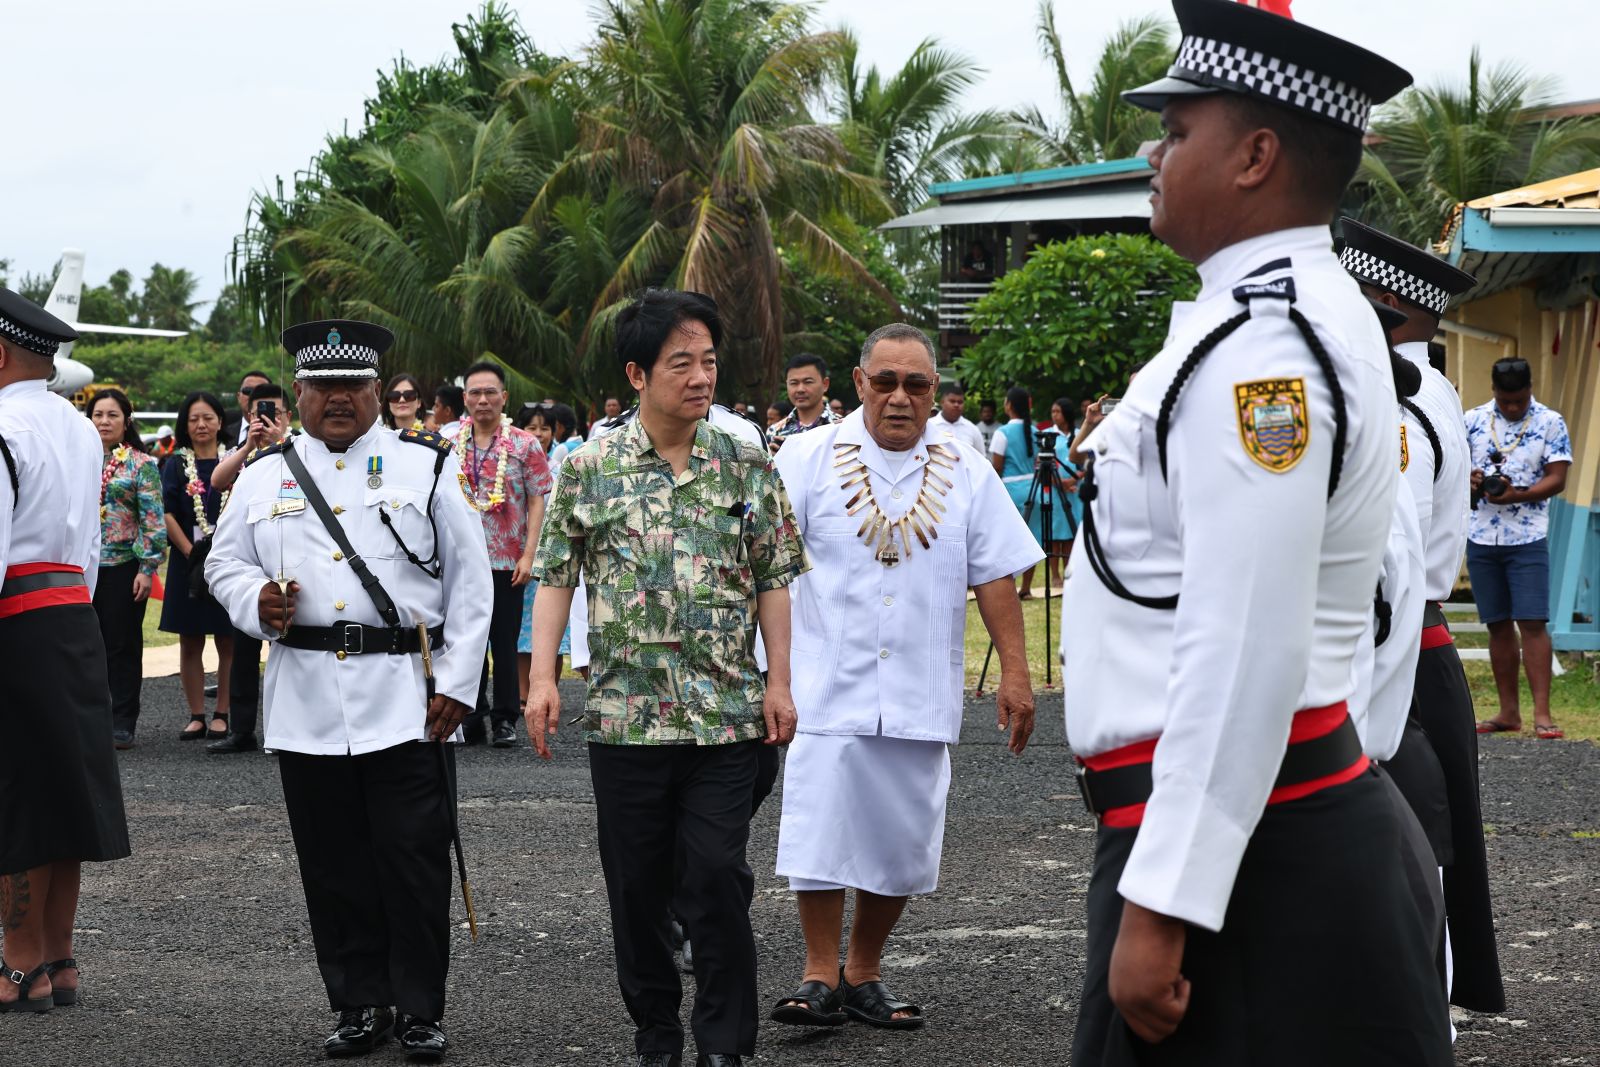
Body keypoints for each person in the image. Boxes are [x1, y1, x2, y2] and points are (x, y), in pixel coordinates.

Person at [1062, 3, 1451, 1062]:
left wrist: (1161, 901)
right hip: (1274, 823)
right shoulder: (1298, 314)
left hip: (1243, 863)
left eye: (1179, 130)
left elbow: (1245, 640)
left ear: (1255, 155)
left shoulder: (1260, 350)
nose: (1155, 150)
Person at [524, 288, 807, 1067]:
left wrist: (778, 679)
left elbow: (774, 573)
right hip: (627, 721)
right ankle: (657, 1033)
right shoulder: (590, 466)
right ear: (638, 373)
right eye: (680, 361)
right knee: (638, 893)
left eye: (709, 360)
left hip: (726, 715)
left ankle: (724, 1044)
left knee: (717, 875)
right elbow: (555, 575)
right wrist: (542, 679)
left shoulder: (746, 459)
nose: (700, 375)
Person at [205, 319, 492, 1062]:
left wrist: (458, 683)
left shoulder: (424, 466)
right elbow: (222, 563)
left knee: (414, 856)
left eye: (353, 387)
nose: (338, 400)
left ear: (377, 392)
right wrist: (255, 597)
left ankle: (422, 1007)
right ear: (296, 393)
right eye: (322, 387)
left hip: (405, 695)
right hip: (304, 699)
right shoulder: (265, 474)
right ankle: (360, 1001)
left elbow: (470, 585)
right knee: (332, 863)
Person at [768, 323, 1040, 1032]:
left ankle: (865, 971)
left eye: (915, 384)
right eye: (884, 381)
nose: (898, 397)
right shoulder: (804, 458)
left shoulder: (967, 467)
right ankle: (818, 972)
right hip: (826, 678)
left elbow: (996, 574)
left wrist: (1016, 672)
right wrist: (767, 671)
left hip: (919, 684)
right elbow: (765, 570)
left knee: (901, 834)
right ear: (857, 383)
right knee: (822, 828)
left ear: (934, 392)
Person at [1340, 217, 1505, 1012]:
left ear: (1378, 300)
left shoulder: (1397, 404)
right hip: (1417, 642)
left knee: (1407, 851)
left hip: (1396, 650)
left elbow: (1386, 561)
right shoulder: (1429, 386)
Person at [0, 290, 132, 1016]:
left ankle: (18, 968)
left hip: (14, 618)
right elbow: (85, 546)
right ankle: (57, 955)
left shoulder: (0, 424)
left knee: (17, 792)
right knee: (64, 787)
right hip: (72, 615)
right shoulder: (83, 430)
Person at [1465, 358, 1571, 740]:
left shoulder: (1550, 421)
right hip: (1481, 535)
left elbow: (1557, 478)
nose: (1512, 407)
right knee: (1497, 624)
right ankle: (1509, 712)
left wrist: (1517, 496)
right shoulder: (1472, 420)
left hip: (1527, 538)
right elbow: (1454, 472)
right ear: (1494, 390)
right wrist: (1473, 478)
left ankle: (1543, 714)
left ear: (1530, 390)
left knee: (1532, 622)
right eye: (1505, 400)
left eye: (1519, 400)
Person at [455, 360, 551, 747]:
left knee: (504, 641)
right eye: (475, 393)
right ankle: (471, 713)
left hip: (507, 560)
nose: (482, 400)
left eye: (490, 392)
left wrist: (529, 556)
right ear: (465, 399)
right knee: (467, 640)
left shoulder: (525, 444)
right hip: (463, 562)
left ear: (504, 397)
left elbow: (537, 501)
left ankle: (506, 718)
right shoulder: (449, 442)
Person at [205, 383, 296, 755]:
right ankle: (241, 728)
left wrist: (278, 444)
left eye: (274, 411)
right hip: (249, 563)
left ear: (288, 415)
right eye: (260, 412)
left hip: (290, 563)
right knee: (243, 650)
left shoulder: (302, 449)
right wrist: (249, 448)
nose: (267, 419)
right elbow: (217, 481)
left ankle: (291, 727)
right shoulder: (242, 449)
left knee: (295, 649)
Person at [88, 388, 167, 750]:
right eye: (98, 414)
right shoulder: (81, 458)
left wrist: (147, 567)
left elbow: (153, 519)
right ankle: (91, 718)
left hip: (124, 565)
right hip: (82, 566)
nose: (104, 421)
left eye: (112, 415)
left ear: (126, 421)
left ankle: (123, 721)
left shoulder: (141, 463)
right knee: (86, 645)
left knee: (122, 645)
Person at [159, 390, 236, 742]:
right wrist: (192, 553)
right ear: (185, 426)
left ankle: (222, 712)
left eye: (207, 417)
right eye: (194, 419)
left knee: (228, 638)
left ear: (220, 422)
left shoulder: (236, 460)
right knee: (189, 640)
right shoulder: (175, 464)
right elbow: (168, 512)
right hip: (187, 560)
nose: (201, 424)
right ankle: (196, 715)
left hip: (228, 559)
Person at [989, 387, 1069, 599]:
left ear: (1008, 406)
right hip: (1033, 491)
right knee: (1030, 542)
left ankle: (1009, 588)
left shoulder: (1002, 433)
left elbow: (996, 467)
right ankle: (1026, 588)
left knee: (1007, 543)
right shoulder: (1037, 433)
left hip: (1010, 491)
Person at [769, 353, 839, 454]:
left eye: (808, 382)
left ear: (825, 384)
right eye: (794, 383)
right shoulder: (774, 431)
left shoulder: (841, 427)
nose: (800, 389)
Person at [931, 381, 985, 454]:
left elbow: (981, 459)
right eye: (952, 401)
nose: (956, 405)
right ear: (942, 402)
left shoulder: (973, 429)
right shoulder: (929, 426)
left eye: (960, 402)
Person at [226, 370, 272, 447]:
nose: (253, 395)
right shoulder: (223, 434)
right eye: (248, 391)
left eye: (260, 391)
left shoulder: (289, 435)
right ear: (238, 397)